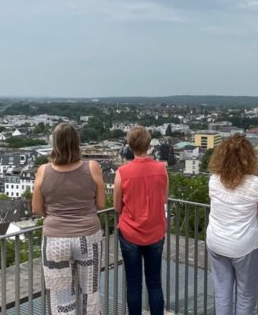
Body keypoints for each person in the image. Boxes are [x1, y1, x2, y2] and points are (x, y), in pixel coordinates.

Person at [32, 122, 106, 315]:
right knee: (90, 292)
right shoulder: (93, 167)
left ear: (54, 143)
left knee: (61, 297)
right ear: (77, 142)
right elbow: (101, 204)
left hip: (56, 240)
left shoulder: (43, 171)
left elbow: (36, 208)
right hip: (88, 237)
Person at [206, 134, 258, 315]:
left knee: (222, 292)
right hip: (244, 245)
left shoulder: (213, 180)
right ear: (249, 158)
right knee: (246, 294)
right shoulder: (256, 184)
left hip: (216, 241)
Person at [114, 126, 168, 315]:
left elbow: (116, 206)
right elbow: (164, 198)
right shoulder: (161, 168)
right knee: (154, 283)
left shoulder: (122, 171)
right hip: (155, 231)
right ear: (149, 143)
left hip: (130, 233)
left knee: (133, 284)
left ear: (130, 145)